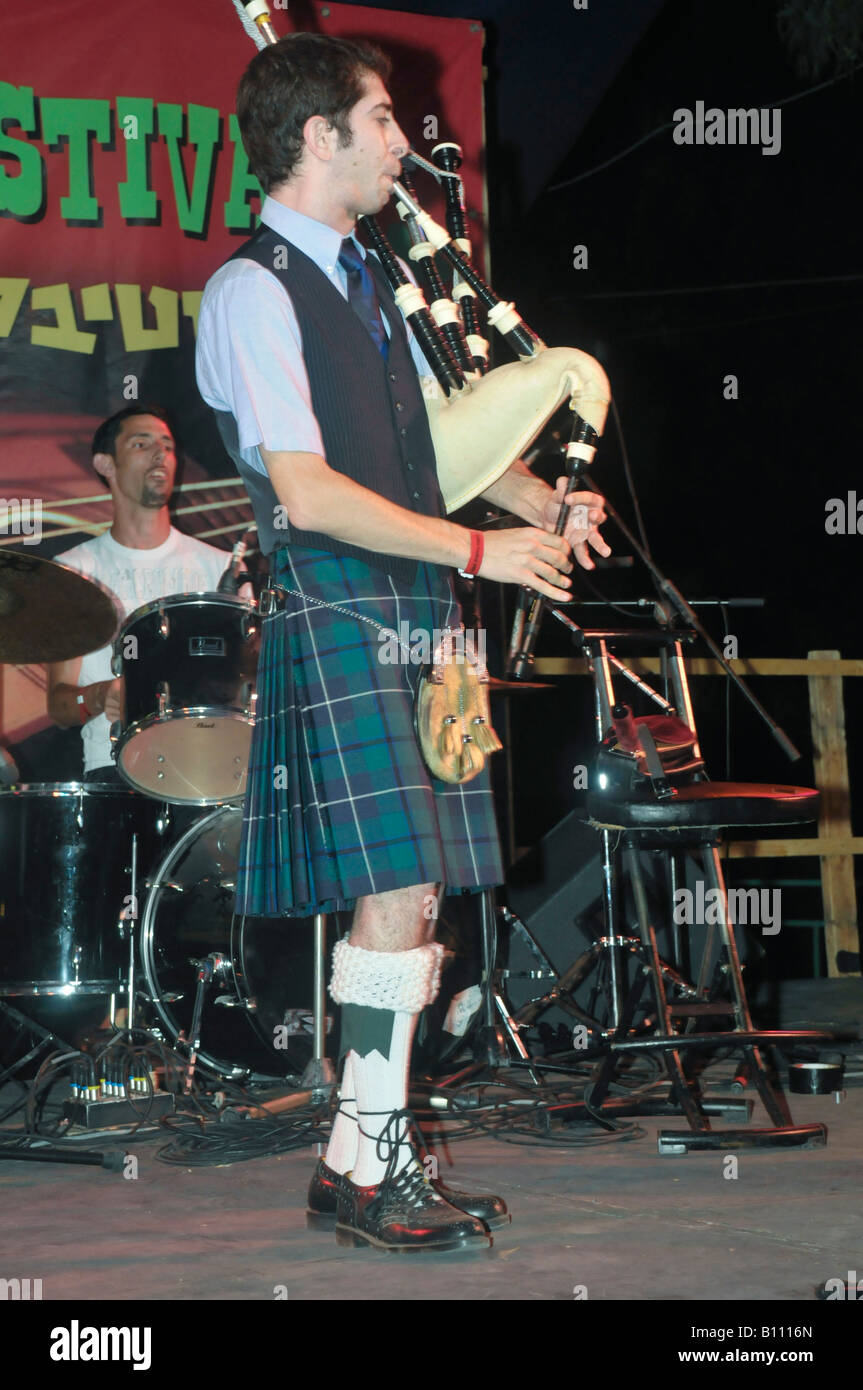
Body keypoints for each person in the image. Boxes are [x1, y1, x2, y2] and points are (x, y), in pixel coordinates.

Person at [196, 33, 610, 1252]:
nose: (400, 142)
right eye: (379, 120)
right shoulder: (252, 290)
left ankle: (351, 1156)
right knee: (392, 889)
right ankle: (376, 1167)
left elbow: (425, 455)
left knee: (415, 888)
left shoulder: (369, 282)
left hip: (419, 604)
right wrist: (481, 554)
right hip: (343, 594)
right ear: (317, 138)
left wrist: (537, 505)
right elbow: (311, 495)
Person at [46, 406, 238, 779]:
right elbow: (59, 705)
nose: (160, 454)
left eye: (167, 446)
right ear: (106, 464)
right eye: (141, 443)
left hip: (209, 767)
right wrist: (101, 696)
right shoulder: (73, 571)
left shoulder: (222, 568)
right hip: (113, 770)